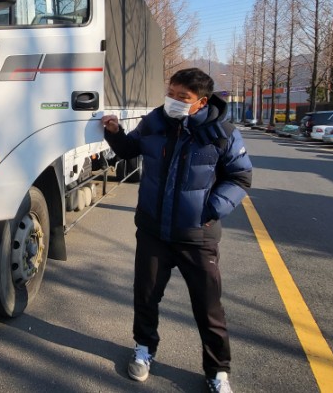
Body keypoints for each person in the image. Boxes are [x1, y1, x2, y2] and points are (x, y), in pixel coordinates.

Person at [101, 68, 252, 393]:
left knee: (208, 307)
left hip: (197, 237)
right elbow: (129, 150)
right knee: (145, 296)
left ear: (201, 102)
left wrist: (210, 210)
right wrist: (114, 133)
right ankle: (144, 349)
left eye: (182, 97)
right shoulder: (154, 122)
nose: (173, 101)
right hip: (153, 232)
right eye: (170, 93)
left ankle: (217, 371)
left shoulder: (222, 133)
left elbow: (240, 177)